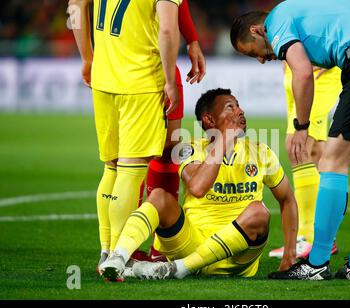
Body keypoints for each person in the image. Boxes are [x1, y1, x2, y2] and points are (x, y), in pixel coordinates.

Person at [230, 0, 350, 280]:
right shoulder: (304, 12)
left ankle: (316, 263)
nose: (260, 59)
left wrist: (301, 127)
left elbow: (303, 73)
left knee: (331, 163)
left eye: (252, 52)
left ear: (258, 30)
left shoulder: (277, 20)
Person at [99, 88, 298, 281]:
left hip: (238, 257)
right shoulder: (189, 148)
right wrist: (224, 140)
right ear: (209, 120)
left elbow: (287, 199)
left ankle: (179, 269)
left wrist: (290, 253)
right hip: (190, 244)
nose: (240, 111)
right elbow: (198, 187)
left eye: (238, 106)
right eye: (230, 107)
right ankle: (118, 258)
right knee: (159, 196)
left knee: (259, 212)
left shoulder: (260, 152)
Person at [69, 0, 189, 270]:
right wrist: (170, 80)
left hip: (103, 79)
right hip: (141, 81)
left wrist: (88, 57)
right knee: (130, 171)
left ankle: (106, 249)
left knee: (111, 168)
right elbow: (169, 30)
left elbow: (75, 6)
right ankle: (117, 255)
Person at [268, 0, 350, 262]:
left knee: (302, 146)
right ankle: (319, 235)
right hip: (295, 67)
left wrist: (330, 53)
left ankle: (311, 237)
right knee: (307, 151)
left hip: (321, 70)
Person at [139, 0, 206, 263]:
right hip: (152, 67)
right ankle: (150, 248)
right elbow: (168, 26)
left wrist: (192, 40)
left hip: (114, 70)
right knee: (157, 154)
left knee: (124, 163)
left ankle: (119, 249)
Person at [268, 63, 341, 260]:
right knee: (315, 152)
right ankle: (324, 238)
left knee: (297, 147)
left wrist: (330, 56)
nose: (259, 60)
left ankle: (308, 238)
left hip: (317, 74)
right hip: (295, 71)